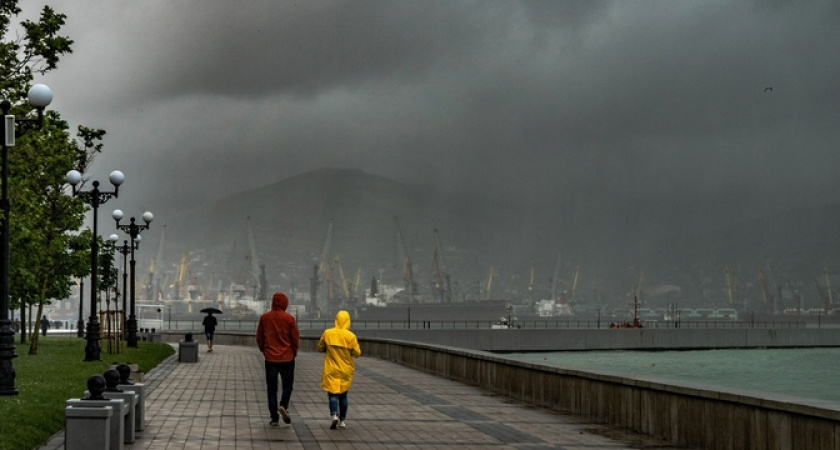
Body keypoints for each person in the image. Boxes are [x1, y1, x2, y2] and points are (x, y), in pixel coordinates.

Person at [256, 292, 299, 426]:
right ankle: (283, 405)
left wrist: (264, 350)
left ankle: (274, 418)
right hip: (287, 357)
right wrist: (294, 352)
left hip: (270, 359)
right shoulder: (290, 319)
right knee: (287, 386)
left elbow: (259, 337)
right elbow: (295, 339)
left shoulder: (265, 318)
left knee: (271, 388)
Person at [318, 310, 361, 430]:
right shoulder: (350, 336)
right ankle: (342, 420)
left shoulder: (328, 333)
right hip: (345, 370)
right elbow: (357, 353)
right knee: (343, 395)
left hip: (331, 368)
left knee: (332, 394)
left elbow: (320, 347)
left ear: (336, 320)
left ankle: (334, 415)